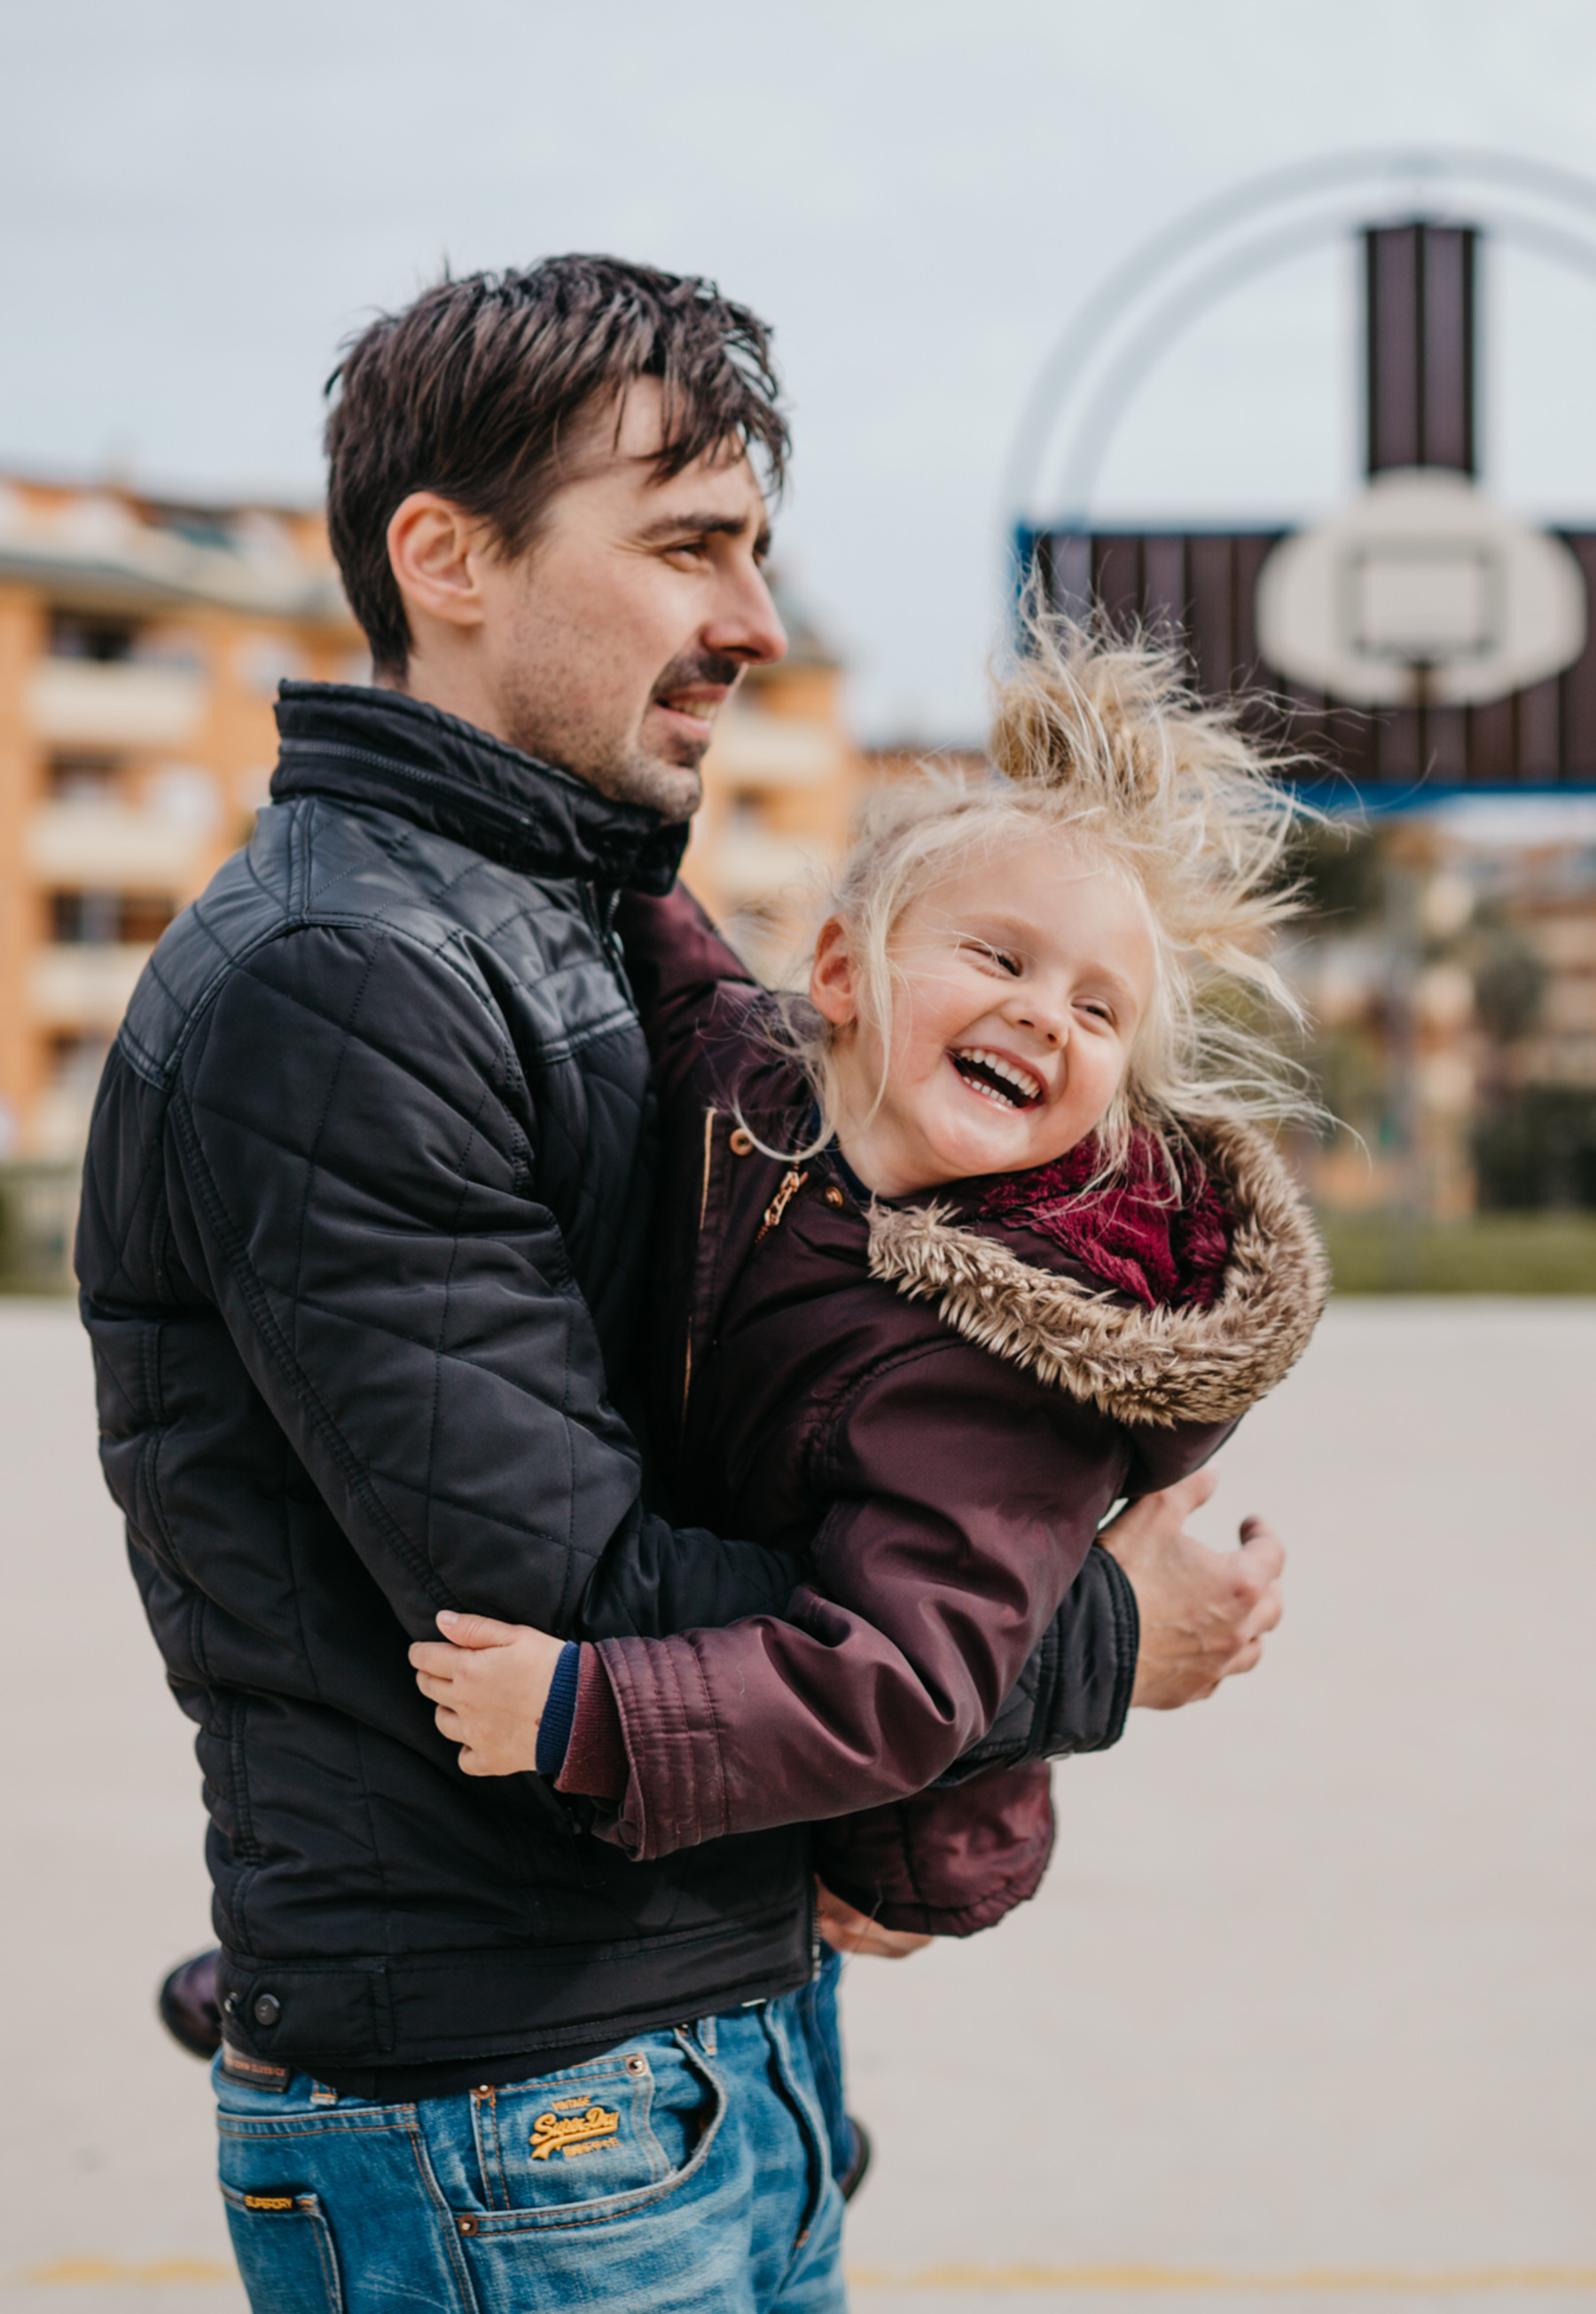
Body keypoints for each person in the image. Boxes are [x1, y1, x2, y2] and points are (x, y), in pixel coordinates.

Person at [80, 255, 1287, 2314]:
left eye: (756, 553)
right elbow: (568, 1606)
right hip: (511, 2108)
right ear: (446, 558)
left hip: (692, 2043)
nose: (748, 617)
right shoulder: (344, 983)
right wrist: (1098, 1639)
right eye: (686, 548)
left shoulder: (594, 928)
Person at [407, 619, 1326, 1940]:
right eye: (1002, 958)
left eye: (1099, 1008)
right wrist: (590, 798)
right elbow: (675, 956)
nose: (1043, 1014)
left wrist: (589, 1713)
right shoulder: (754, 1078)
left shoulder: (1002, 1359)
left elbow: (895, 1682)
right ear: (841, 971)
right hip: (734, 1665)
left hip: (881, 1825)